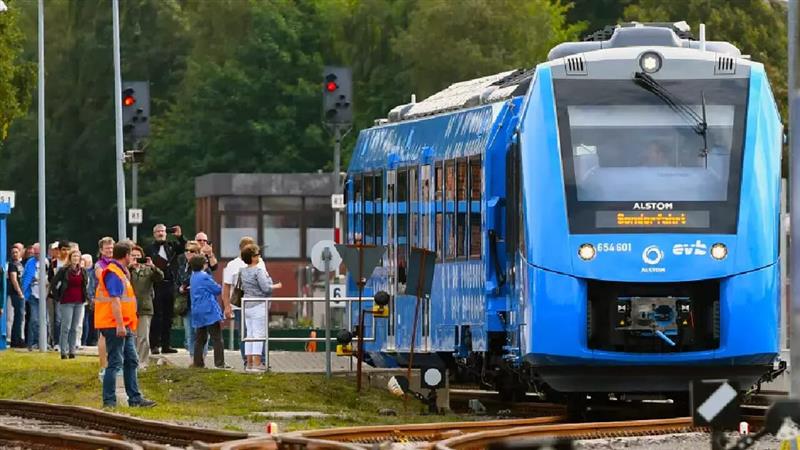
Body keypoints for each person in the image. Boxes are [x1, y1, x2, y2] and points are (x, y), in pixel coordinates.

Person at [95, 242, 155, 408]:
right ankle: (109, 401)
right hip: (115, 324)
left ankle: (135, 398)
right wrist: (120, 325)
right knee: (115, 362)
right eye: (131, 254)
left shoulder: (120, 272)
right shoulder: (113, 273)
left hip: (123, 325)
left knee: (131, 360)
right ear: (126, 255)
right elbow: (114, 301)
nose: (133, 258)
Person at [239, 244, 281, 372]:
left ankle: (249, 362)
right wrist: (276, 285)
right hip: (258, 305)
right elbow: (266, 288)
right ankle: (257, 363)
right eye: (257, 255)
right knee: (258, 334)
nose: (259, 257)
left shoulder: (242, 271)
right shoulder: (258, 271)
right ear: (252, 257)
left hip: (247, 305)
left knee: (250, 334)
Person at [222, 236, 264, 364]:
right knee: (245, 333)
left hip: (257, 303)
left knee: (259, 333)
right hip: (241, 304)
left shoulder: (260, 262)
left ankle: (260, 360)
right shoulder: (233, 265)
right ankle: (248, 360)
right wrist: (227, 306)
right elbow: (226, 286)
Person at [146, 224, 185, 354]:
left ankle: (166, 345)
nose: (161, 233)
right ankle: (154, 344)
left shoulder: (172, 246)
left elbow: (184, 248)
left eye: (163, 231)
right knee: (157, 316)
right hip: (156, 285)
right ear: (154, 234)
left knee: (169, 316)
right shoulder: (149, 249)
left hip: (170, 284)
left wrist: (180, 237)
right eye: (158, 231)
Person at [188, 255, 227, 369]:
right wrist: (222, 285)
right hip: (208, 311)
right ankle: (220, 363)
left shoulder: (193, 276)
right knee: (217, 338)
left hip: (197, 311)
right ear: (203, 264)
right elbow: (217, 290)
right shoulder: (204, 276)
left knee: (200, 338)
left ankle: (198, 363)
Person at [49, 249, 88, 359]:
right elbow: (53, 283)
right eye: (74, 256)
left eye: (77, 257)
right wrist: (57, 296)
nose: (76, 259)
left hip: (79, 301)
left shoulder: (83, 271)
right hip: (67, 301)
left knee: (74, 328)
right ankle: (63, 351)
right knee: (66, 326)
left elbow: (84, 285)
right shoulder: (64, 270)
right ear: (70, 258)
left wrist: (87, 298)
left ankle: (72, 351)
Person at [129, 245, 163, 369]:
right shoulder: (128, 270)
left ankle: (142, 361)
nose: (136, 259)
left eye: (138, 256)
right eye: (133, 256)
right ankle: (131, 360)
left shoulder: (148, 270)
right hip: (129, 307)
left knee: (143, 336)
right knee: (131, 336)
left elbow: (160, 277)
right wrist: (130, 267)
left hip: (145, 307)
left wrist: (152, 266)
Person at [175, 241, 209, 358]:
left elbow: (208, 285)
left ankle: (201, 357)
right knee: (189, 334)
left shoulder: (204, 269)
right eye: (187, 251)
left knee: (200, 332)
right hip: (187, 304)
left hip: (200, 305)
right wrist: (180, 288)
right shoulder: (182, 267)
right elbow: (177, 282)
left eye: (192, 251)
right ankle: (192, 358)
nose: (189, 253)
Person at [95, 237, 115, 379]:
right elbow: (102, 277)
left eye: (111, 248)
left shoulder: (116, 263)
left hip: (116, 302)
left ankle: (114, 365)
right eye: (107, 248)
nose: (110, 250)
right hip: (104, 303)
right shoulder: (99, 265)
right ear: (101, 250)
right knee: (103, 335)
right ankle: (103, 366)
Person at [21, 243, 47, 350]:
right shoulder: (30, 262)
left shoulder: (47, 262)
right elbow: (25, 276)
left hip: (45, 296)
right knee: (34, 319)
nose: (36, 255)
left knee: (45, 321)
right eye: (35, 253)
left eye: (38, 253)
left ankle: (45, 341)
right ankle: (34, 342)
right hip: (33, 294)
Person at [8, 246, 26, 348]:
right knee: (18, 315)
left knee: (20, 316)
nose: (15, 254)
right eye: (13, 252)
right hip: (16, 294)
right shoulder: (12, 265)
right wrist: (20, 292)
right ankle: (16, 339)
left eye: (16, 252)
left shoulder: (21, 264)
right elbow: (14, 279)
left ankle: (18, 338)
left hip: (22, 292)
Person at [81, 254, 97, 346]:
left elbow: (93, 285)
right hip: (86, 298)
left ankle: (92, 340)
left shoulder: (93, 272)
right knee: (85, 320)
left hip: (91, 298)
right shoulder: (86, 271)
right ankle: (86, 341)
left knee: (90, 321)